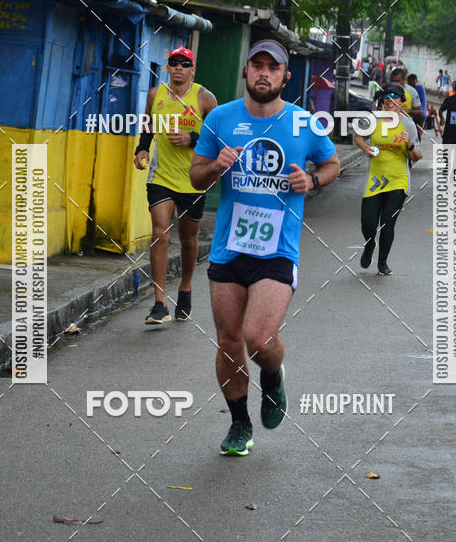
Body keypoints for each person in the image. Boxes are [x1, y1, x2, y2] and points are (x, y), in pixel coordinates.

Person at [189, 39, 340, 456]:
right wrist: (214, 167)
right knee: (228, 341)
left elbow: (332, 164)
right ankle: (240, 425)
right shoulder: (220, 118)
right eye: (257, 65)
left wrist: (313, 181)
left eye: (272, 68)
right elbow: (195, 176)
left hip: (277, 250)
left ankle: (272, 377)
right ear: (246, 71)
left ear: (285, 77)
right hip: (228, 249)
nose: (263, 73)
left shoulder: (305, 124)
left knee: (258, 338)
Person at [134, 46, 217, 324]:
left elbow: (217, 138)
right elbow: (148, 125)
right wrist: (142, 150)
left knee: (188, 239)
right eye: (174, 63)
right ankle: (159, 303)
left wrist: (191, 139)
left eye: (185, 63)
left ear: (193, 69)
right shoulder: (155, 95)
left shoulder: (205, 98)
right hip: (161, 176)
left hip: (194, 178)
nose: (179, 67)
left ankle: (185, 288)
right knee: (160, 233)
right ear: (167, 68)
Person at [353, 83, 422, 276]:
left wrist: (409, 144)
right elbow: (357, 137)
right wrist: (366, 148)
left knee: (387, 222)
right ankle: (370, 244)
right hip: (375, 179)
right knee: (367, 223)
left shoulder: (408, 124)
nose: (390, 100)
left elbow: (417, 156)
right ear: (383, 101)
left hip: (398, 179)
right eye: (387, 97)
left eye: (395, 97)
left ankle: (382, 263)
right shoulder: (374, 119)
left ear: (402, 101)